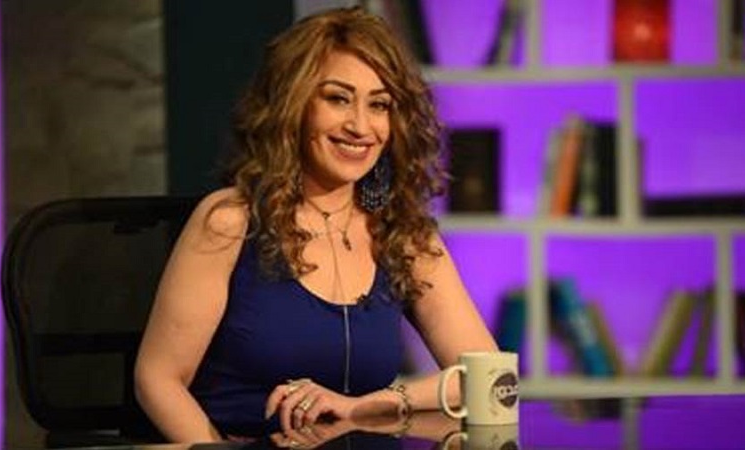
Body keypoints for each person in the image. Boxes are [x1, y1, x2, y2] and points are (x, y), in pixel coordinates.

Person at [134, 6, 497, 443]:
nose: (360, 126)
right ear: (294, 104)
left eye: (379, 105)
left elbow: (489, 381)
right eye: (338, 98)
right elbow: (159, 379)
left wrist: (362, 407)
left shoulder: (403, 234)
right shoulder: (231, 222)